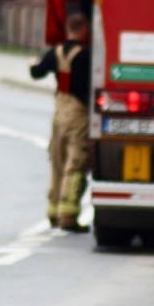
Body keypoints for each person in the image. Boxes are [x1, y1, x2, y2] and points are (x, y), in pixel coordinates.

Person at [29, 12, 92, 232]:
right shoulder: (85, 55)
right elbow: (87, 88)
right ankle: (68, 213)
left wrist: (32, 63)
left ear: (67, 29)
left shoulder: (54, 53)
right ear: (84, 29)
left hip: (59, 111)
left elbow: (36, 73)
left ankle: (53, 210)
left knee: (57, 158)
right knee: (76, 161)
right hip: (78, 113)